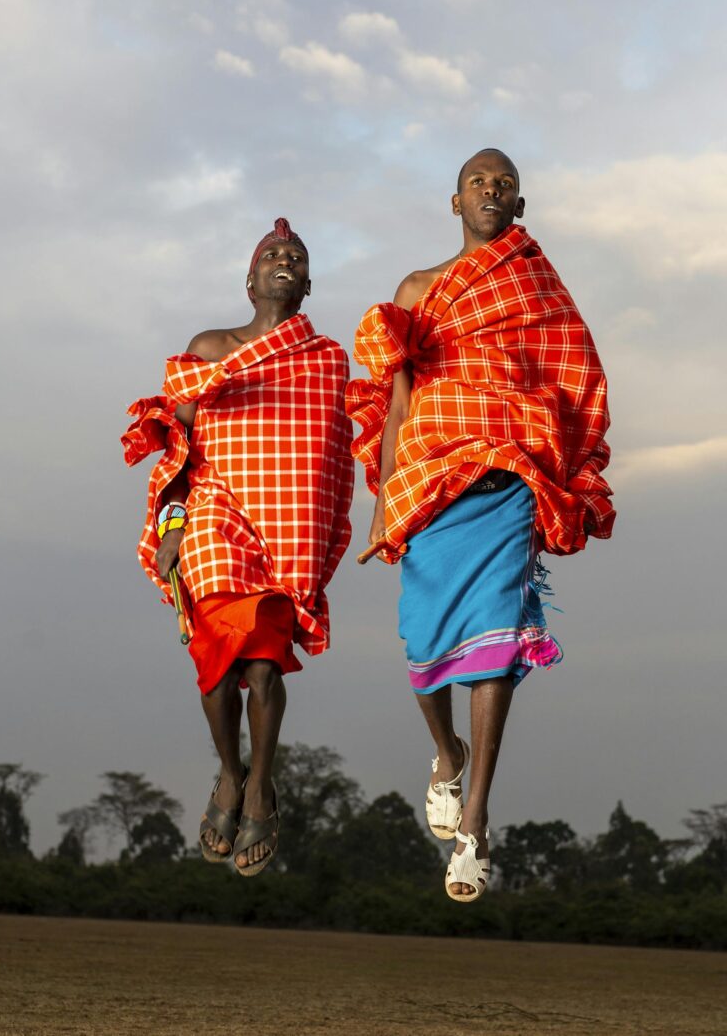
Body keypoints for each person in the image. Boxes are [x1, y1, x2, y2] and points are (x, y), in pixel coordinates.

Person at [347, 150, 615, 901]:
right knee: (423, 645)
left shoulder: (535, 284)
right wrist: (382, 505)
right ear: (454, 200)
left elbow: (572, 372)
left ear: (519, 205)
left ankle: (475, 820)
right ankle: (446, 752)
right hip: (431, 481)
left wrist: (556, 461)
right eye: (477, 183)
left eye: (504, 185)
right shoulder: (419, 289)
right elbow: (396, 405)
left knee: (494, 646)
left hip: (509, 482)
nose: (490, 192)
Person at [122, 218, 353, 876]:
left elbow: (331, 459)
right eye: (272, 254)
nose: (284, 259)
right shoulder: (210, 346)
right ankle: (230, 772)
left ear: (307, 284)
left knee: (263, 669)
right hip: (214, 518)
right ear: (249, 280)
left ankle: (259, 787)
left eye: (296, 257)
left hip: (287, 530)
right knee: (219, 669)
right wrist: (170, 529)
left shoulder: (326, 360)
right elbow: (178, 450)